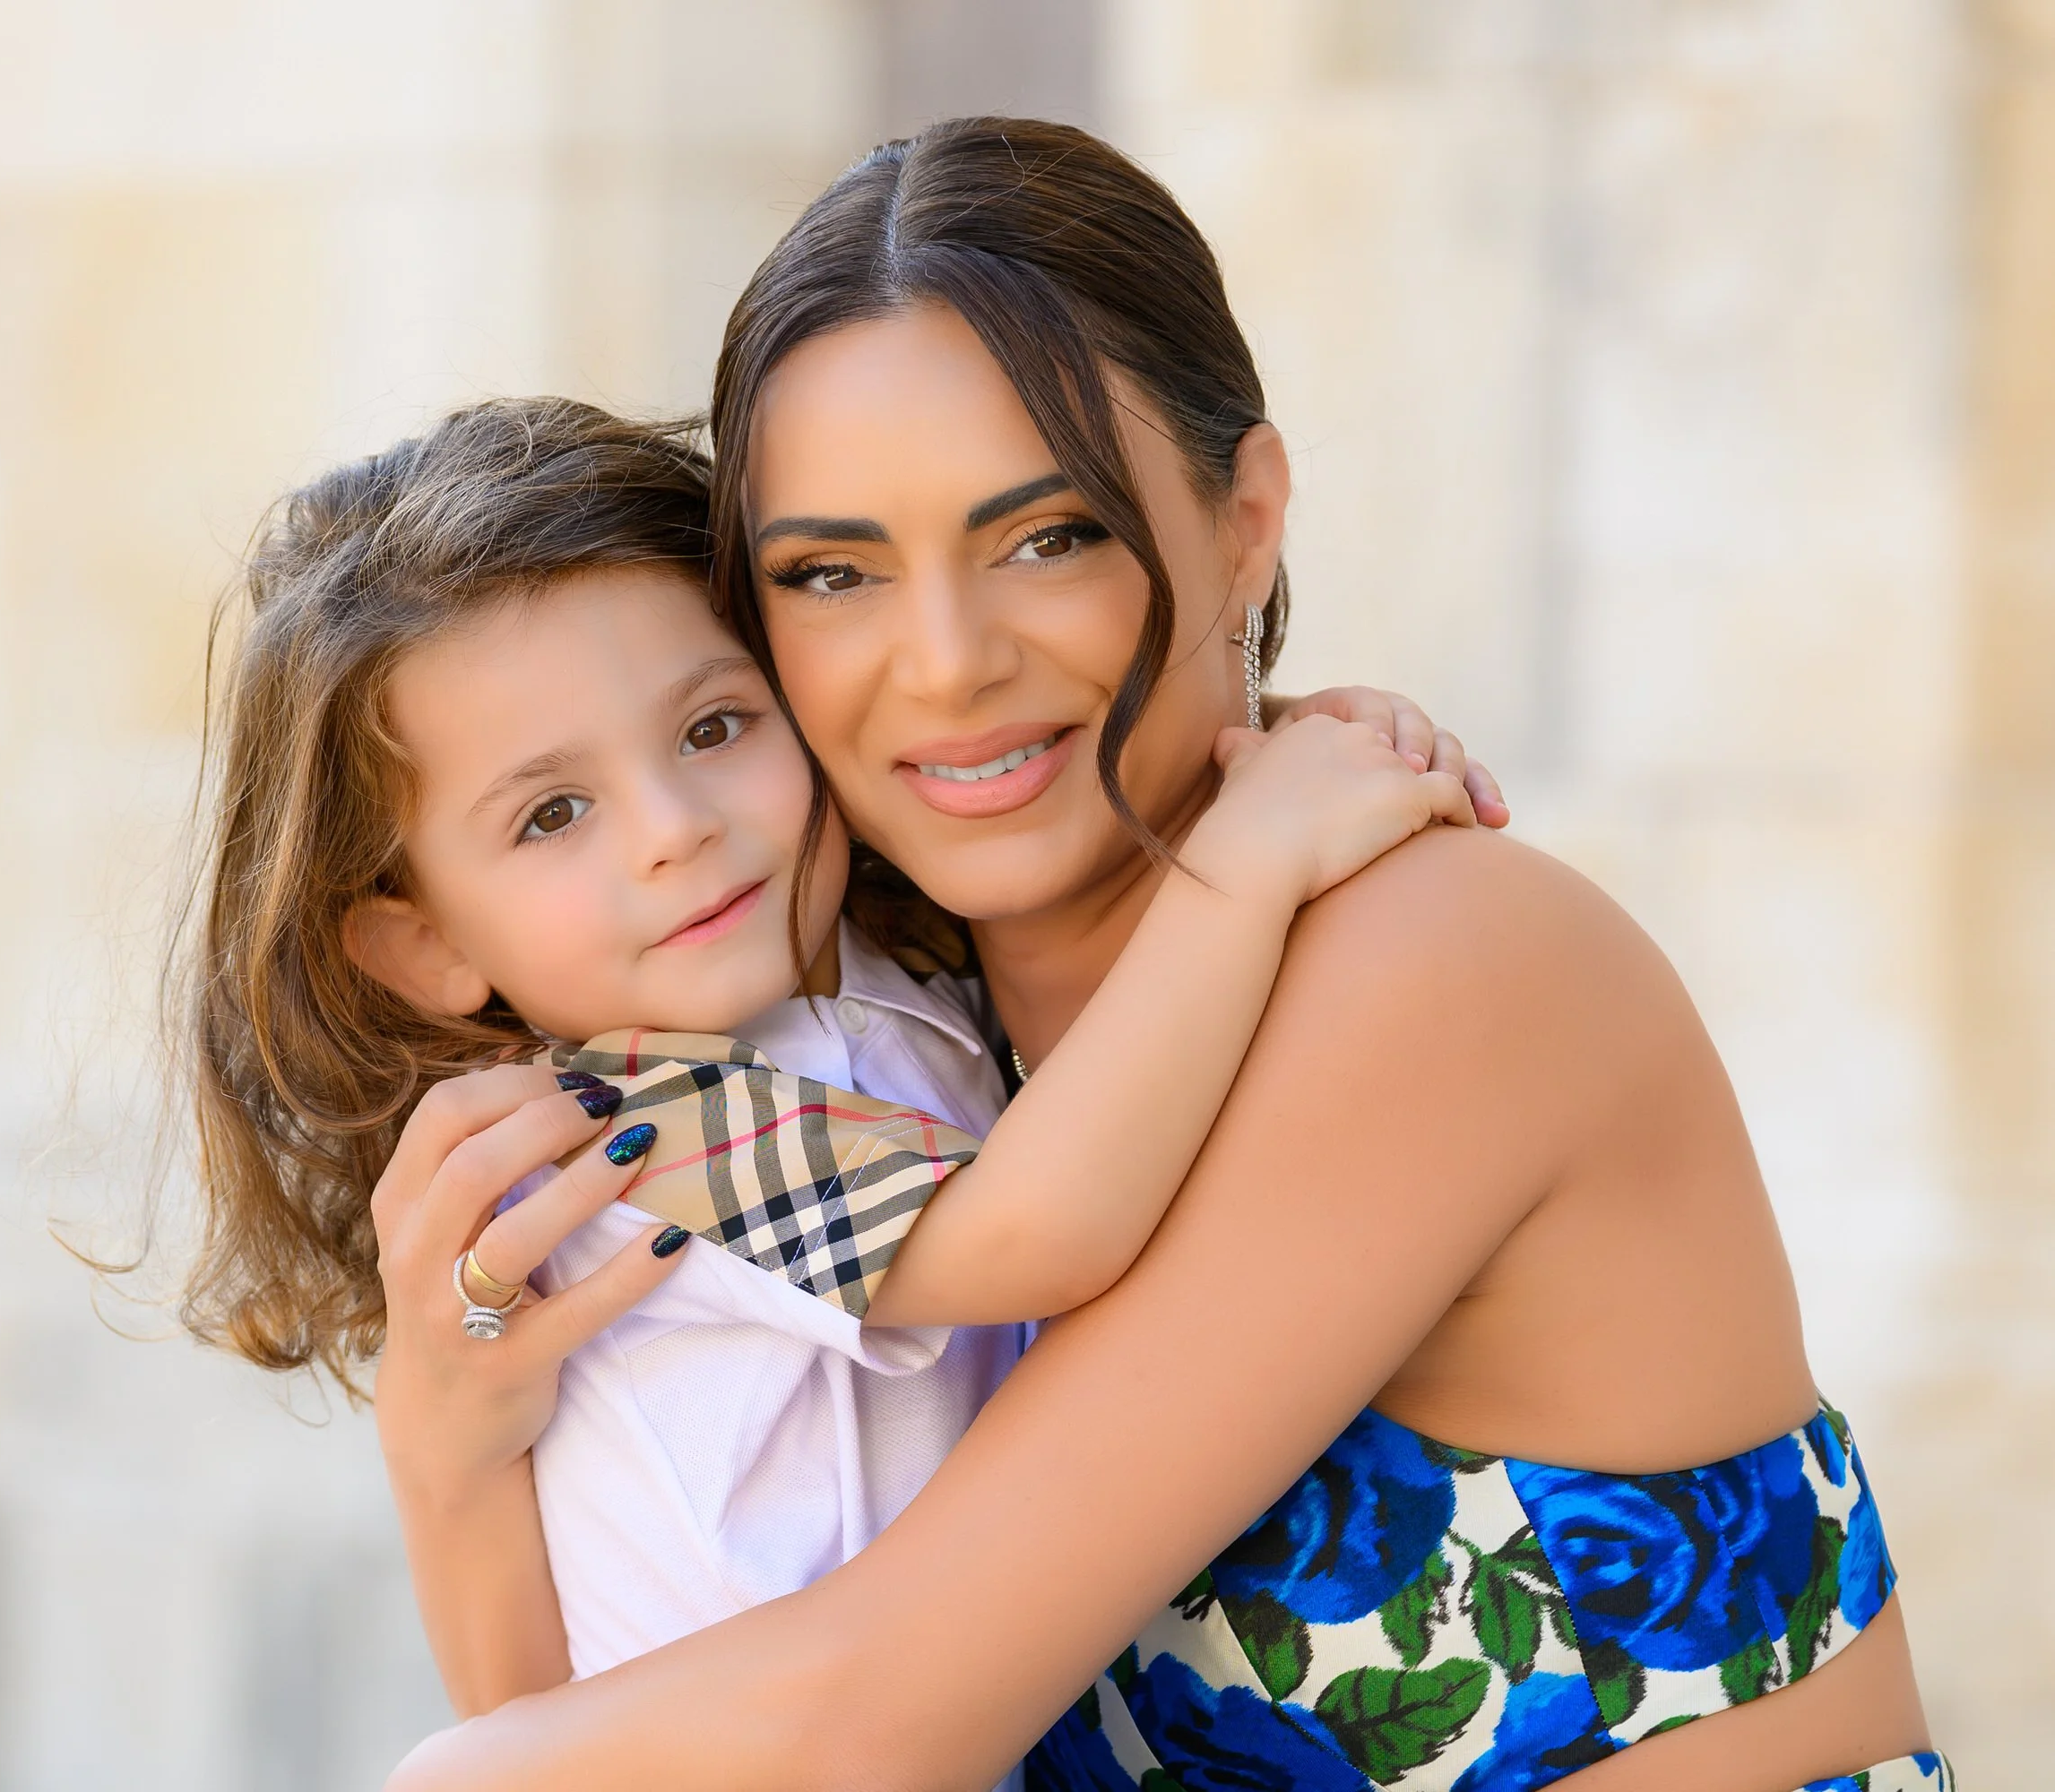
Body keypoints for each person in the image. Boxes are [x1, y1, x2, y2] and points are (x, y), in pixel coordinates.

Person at [387, 118, 1946, 1792]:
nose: (946, 663)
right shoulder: (917, 1037)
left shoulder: (1438, 952)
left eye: (1048, 537)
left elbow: (863, 1723)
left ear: (1245, 520)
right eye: (833, 573)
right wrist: (450, 1453)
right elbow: (610, 1701)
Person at [176, 393, 1480, 1768]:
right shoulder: (630, 1125)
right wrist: (1253, 859)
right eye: (553, 814)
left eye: (713, 729)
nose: (677, 830)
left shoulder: (866, 980)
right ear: (425, 941)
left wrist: (1259, 744)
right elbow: (1039, 1232)